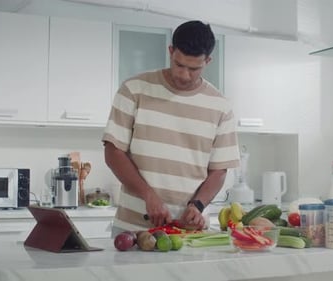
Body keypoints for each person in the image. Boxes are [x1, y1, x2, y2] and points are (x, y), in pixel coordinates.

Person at [102, 20, 240, 235]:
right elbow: (113, 152)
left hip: (190, 232)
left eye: (194, 69)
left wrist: (198, 205)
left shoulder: (220, 105)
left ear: (208, 61)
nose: (184, 75)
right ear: (171, 51)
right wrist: (148, 195)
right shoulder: (134, 89)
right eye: (179, 64)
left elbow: (219, 170)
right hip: (133, 229)